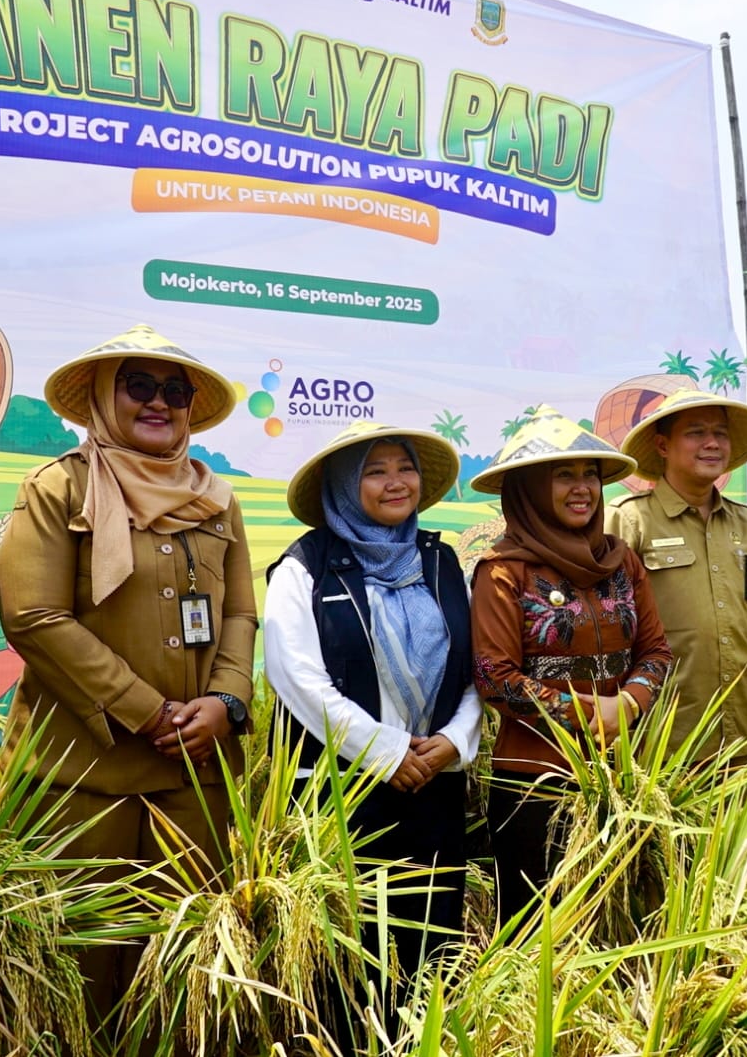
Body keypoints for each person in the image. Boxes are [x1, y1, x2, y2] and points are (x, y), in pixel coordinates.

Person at [0, 325, 256, 1039]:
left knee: (181, 965)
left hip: (197, 777)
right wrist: (147, 710)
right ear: (102, 400)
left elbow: (238, 612)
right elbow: (33, 614)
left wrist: (226, 703)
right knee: (81, 968)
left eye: (175, 391)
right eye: (138, 387)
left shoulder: (217, 497)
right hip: (80, 774)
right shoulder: (59, 487)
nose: (160, 403)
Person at [263, 420, 481, 1045]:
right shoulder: (303, 569)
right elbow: (295, 677)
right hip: (338, 794)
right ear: (342, 484)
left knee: (430, 951)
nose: (395, 482)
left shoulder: (442, 563)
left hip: (433, 787)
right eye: (375, 471)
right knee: (349, 959)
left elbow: (475, 669)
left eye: (404, 467)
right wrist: (384, 751)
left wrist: (453, 744)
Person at [469, 405, 672, 922]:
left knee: (626, 924)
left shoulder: (622, 560)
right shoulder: (503, 570)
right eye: (563, 476)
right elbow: (495, 676)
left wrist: (626, 705)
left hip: (625, 774)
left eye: (590, 475)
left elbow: (655, 651)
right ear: (529, 489)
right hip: (535, 785)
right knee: (538, 936)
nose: (582, 488)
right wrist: (583, 713)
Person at [608, 388, 747, 761]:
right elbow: (609, 631)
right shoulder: (630, 519)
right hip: (663, 739)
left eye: (720, 433)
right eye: (695, 433)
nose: (712, 443)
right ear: (662, 445)